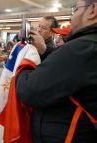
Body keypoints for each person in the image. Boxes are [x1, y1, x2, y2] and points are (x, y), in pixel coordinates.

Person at [15, 0, 97, 142]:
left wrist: (25, 62)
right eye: (38, 26)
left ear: (93, 10)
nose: (71, 17)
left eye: (75, 9)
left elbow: (30, 89)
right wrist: (44, 51)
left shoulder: (81, 48)